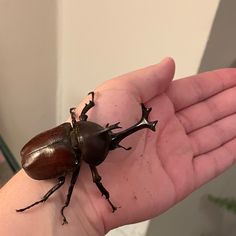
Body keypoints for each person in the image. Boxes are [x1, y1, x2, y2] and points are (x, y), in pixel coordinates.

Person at [0, 58, 236, 236]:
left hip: (34, 150)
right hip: (34, 163)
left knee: (67, 183)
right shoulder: (74, 153)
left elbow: (82, 117)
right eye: (111, 140)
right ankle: (41, 203)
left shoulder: (72, 125)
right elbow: (82, 185)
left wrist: (92, 104)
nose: (113, 137)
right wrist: (68, 210)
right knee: (65, 184)